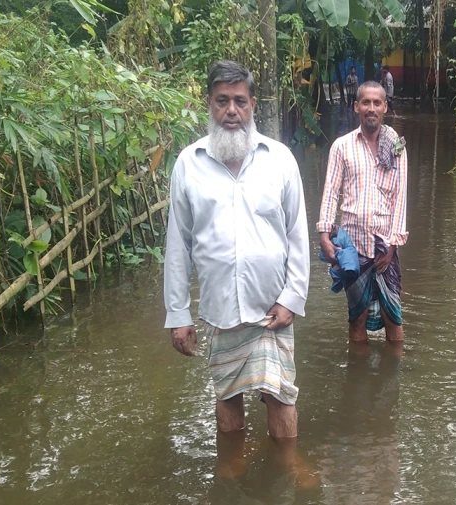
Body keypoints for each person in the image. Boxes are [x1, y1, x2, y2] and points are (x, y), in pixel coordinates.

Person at [164, 60, 310, 439]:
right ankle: (231, 471)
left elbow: (297, 233)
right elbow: (178, 243)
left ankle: (287, 466)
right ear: (209, 103)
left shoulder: (279, 160)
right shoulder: (189, 163)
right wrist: (177, 314)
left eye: (240, 101)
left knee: (281, 395)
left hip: (272, 309)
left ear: (253, 104)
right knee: (227, 394)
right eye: (222, 101)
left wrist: (293, 298)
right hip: (221, 308)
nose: (232, 111)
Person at [317, 81, 408, 344]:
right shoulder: (341, 146)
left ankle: (394, 380)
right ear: (356, 107)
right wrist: (324, 234)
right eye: (365, 102)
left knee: (394, 316)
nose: (371, 108)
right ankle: (358, 379)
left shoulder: (396, 148)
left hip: (384, 247)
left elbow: (400, 198)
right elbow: (331, 192)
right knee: (357, 317)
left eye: (377, 103)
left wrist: (392, 246)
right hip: (353, 247)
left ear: (385, 107)